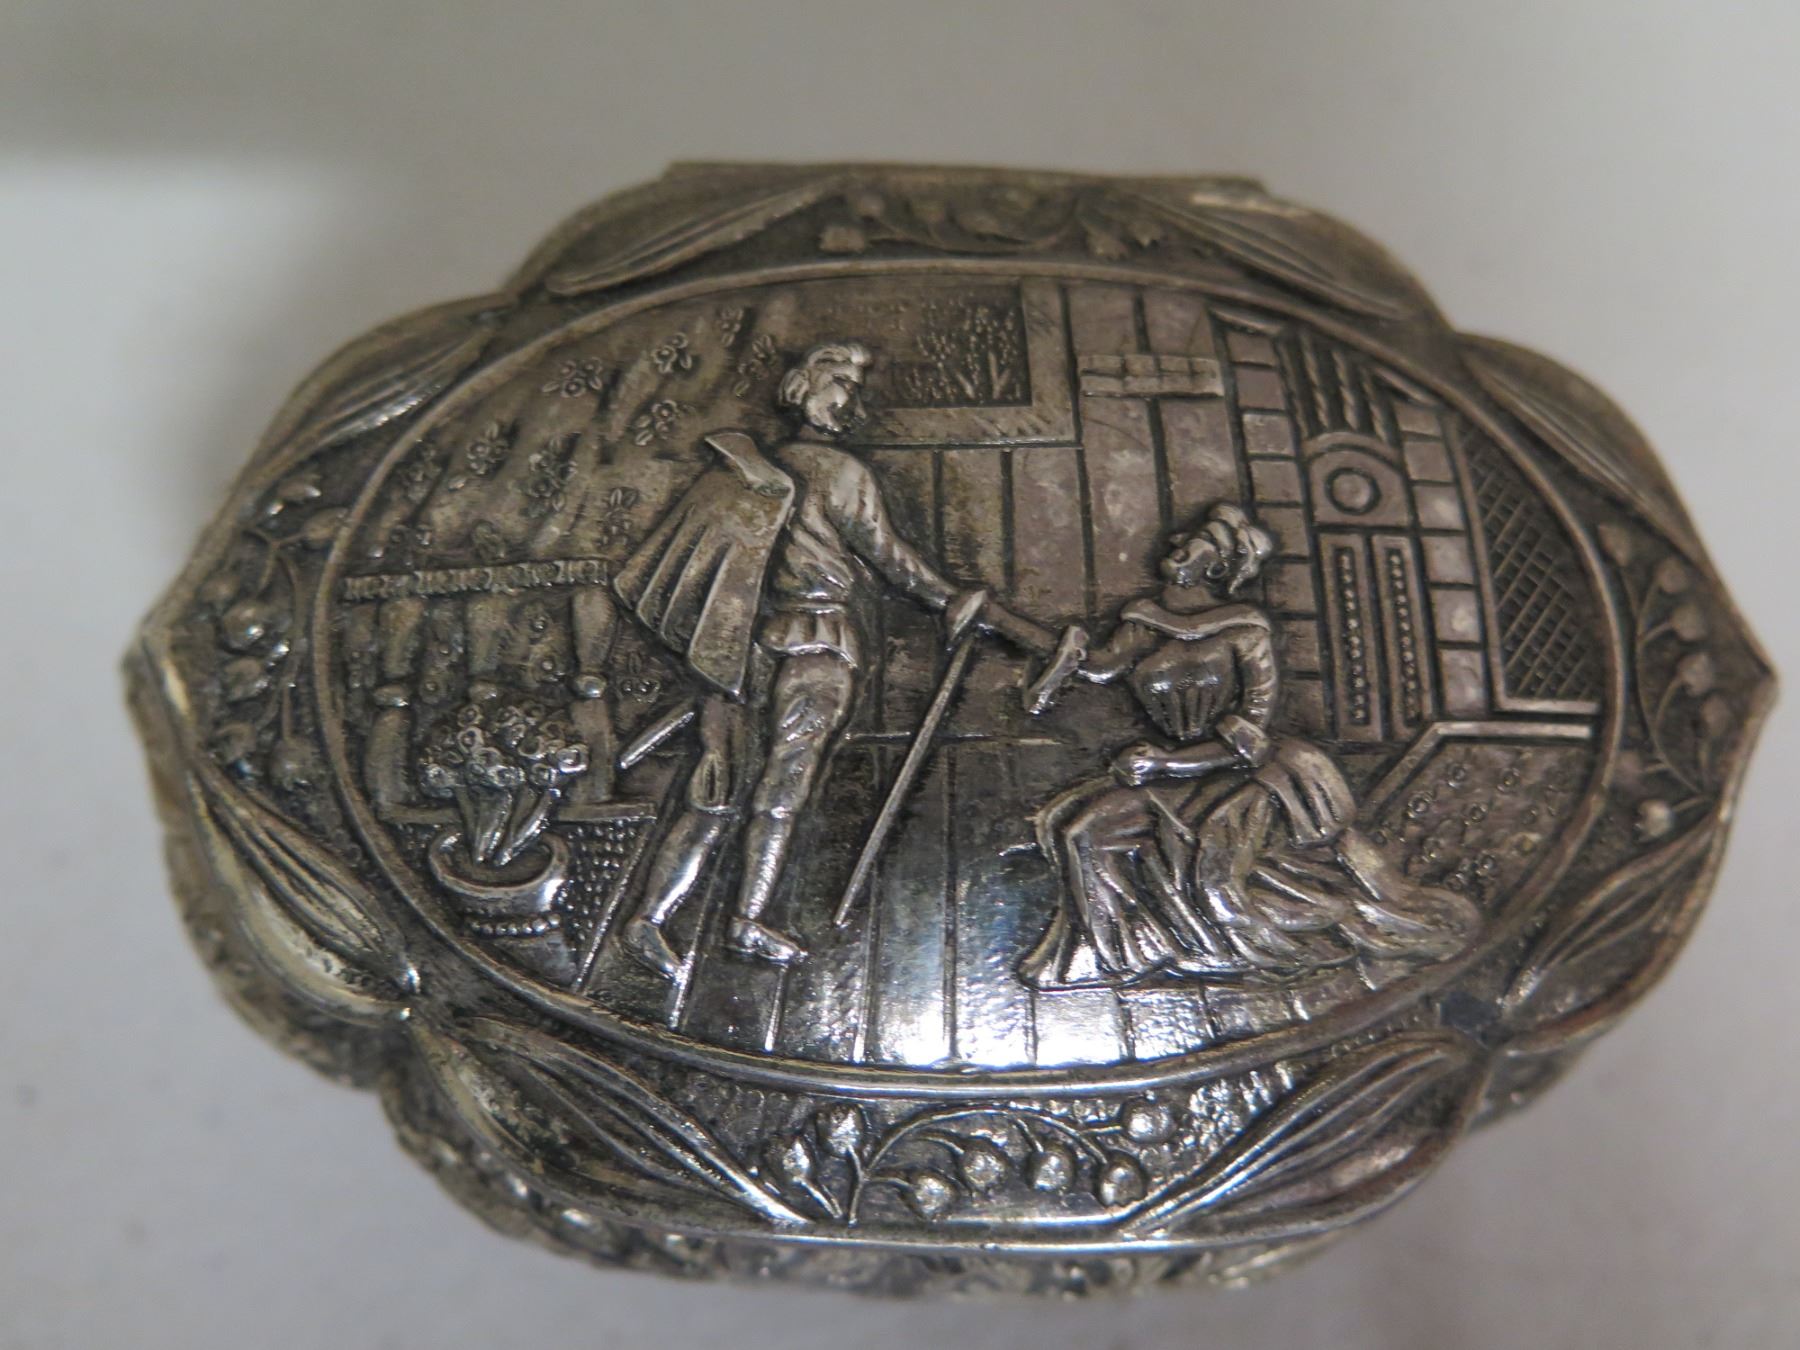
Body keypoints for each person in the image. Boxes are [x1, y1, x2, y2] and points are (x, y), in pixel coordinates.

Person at [613, 342, 1049, 976]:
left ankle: (649, 919)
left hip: (734, 648)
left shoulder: (741, 469)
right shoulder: (837, 472)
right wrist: (950, 598)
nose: (852, 396)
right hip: (815, 640)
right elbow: (888, 555)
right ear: (805, 386)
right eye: (842, 380)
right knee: (778, 788)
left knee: (717, 787)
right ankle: (742, 921)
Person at [1020, 504, 1480, 989]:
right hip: (1168, 773)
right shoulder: (1144, 622)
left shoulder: (1245, 631)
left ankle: (1233, 944)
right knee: (1077, 832)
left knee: (1218, 886)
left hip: (1244, 777)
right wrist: (1002, 622)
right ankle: (1117, 953)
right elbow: (1096, 667)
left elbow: (1251, 734)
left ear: (1219, 566)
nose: (1176, 542)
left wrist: (1166, 763)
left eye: (1196, 538)